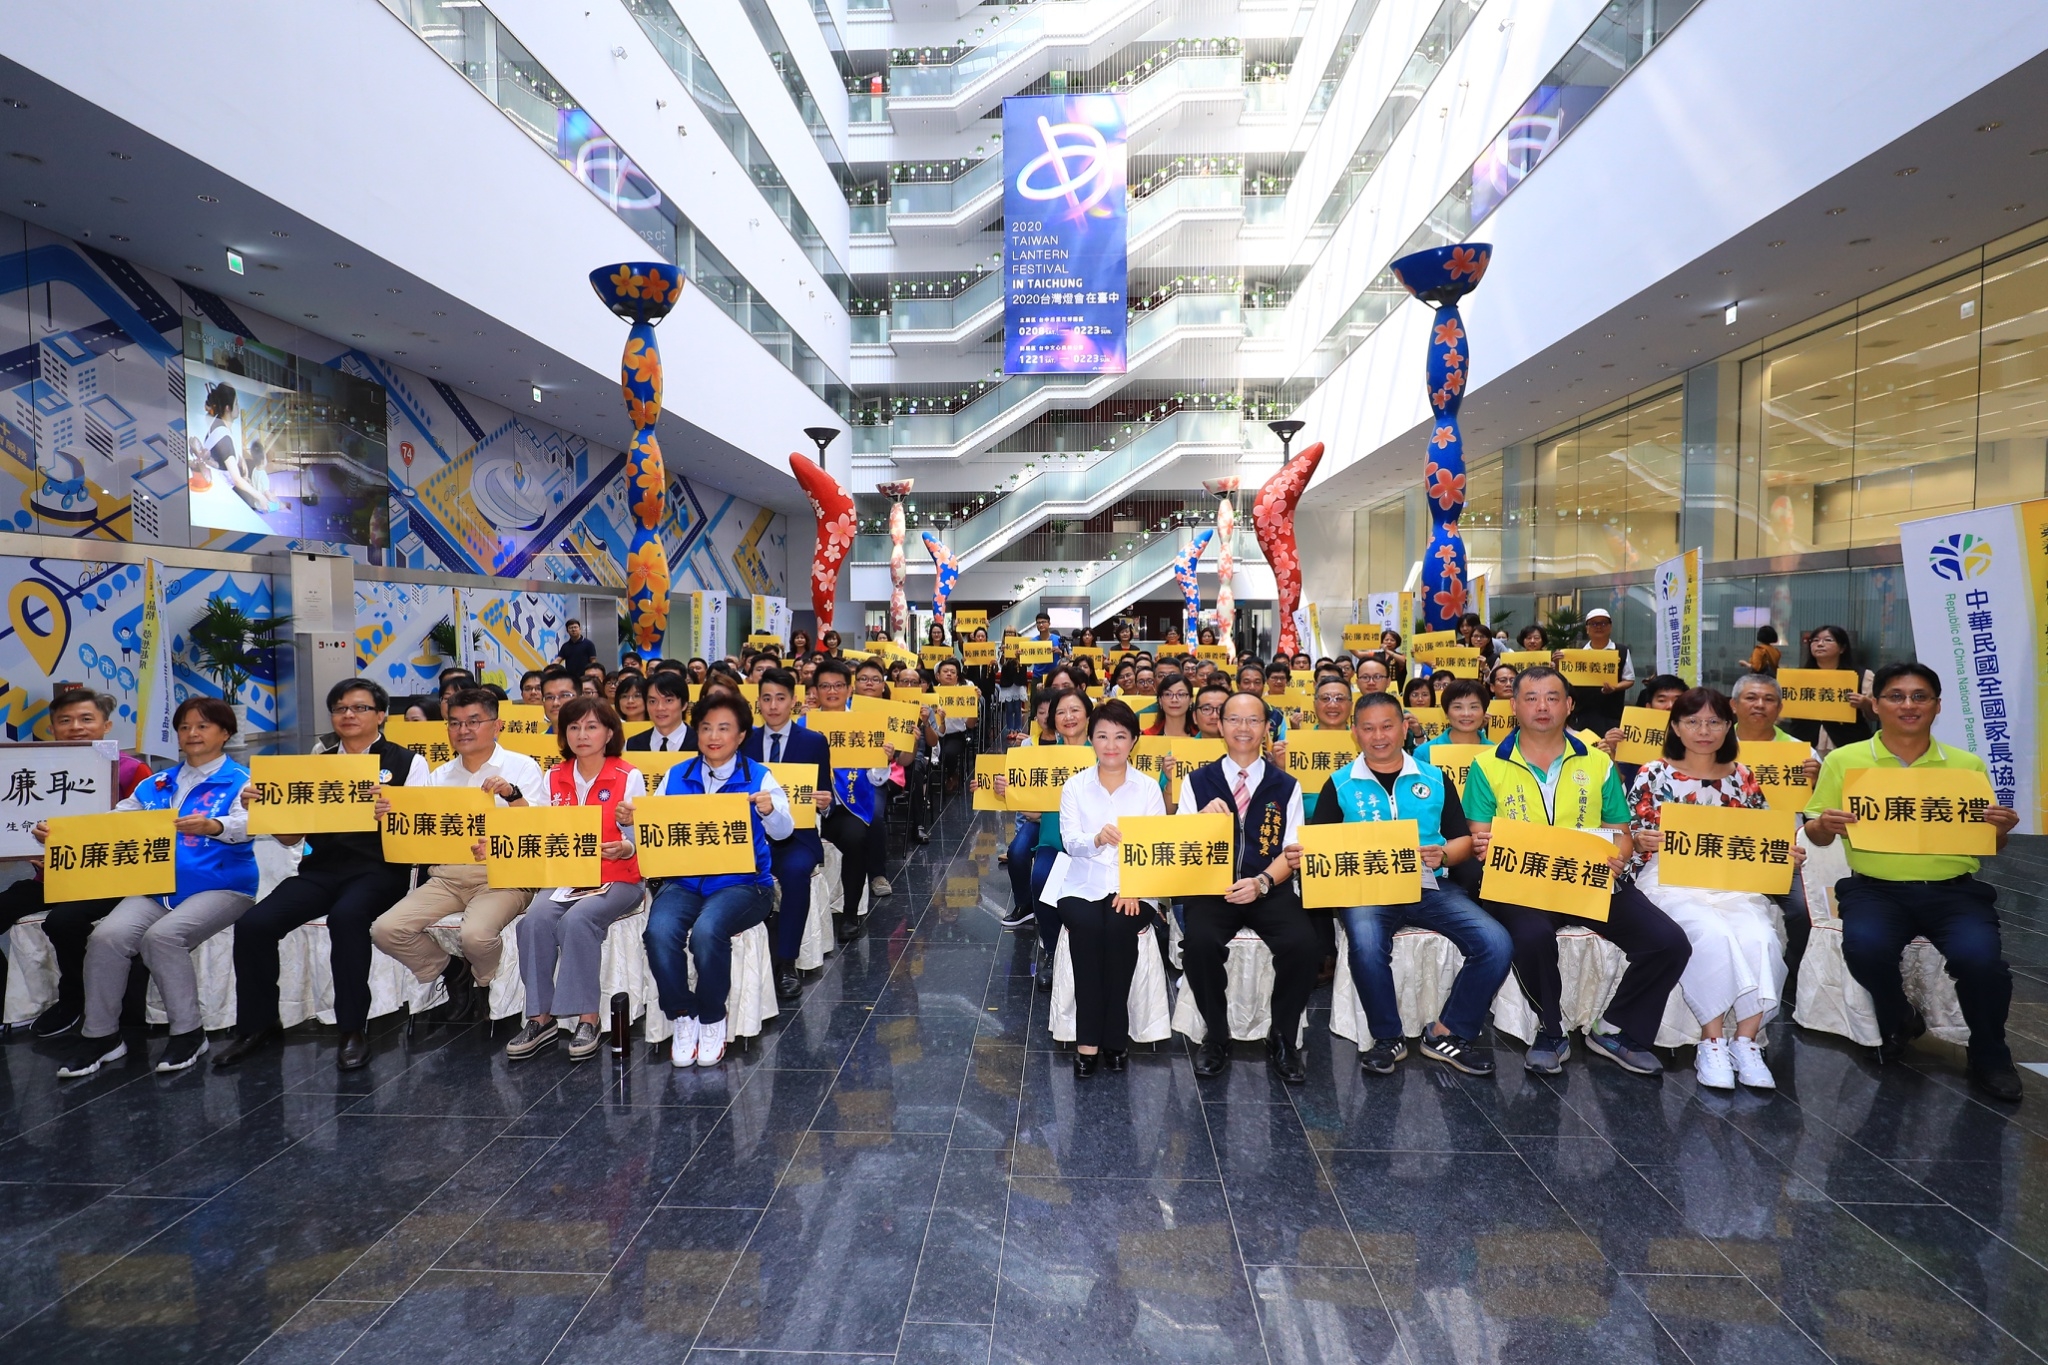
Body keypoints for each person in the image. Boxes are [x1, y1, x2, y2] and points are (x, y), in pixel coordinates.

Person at [1803, 662, 2022, 1102]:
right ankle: (1899, 1015)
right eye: (1896, 696)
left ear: (1937, 706)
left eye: (1920, 696)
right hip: (1875, 888)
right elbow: (1816, 833)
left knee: (1981, 961)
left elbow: (1989, 845)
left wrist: (2001, 830)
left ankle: (1990, 1053)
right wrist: (1824, 824)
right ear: (1875, 705)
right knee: (1865, 947)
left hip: (1953, 891)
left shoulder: (1966, 765)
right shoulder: (1844, 761)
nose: (1908, 705)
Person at [1463, 665, 1692, 1077]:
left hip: (1587, 878)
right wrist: (1484, 844)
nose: (1542, 706)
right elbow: (1479, 835)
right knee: (1530, 936)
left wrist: (1619, 855)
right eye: (1531, 698)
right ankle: (1551, 1031)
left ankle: (1614, 1028)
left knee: (1669, 943)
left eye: (1552, 698)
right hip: (1522, 883)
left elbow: (1620, 832)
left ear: (1569, 705)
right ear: (1513, 706)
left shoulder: (1598, 762)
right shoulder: (1487, 765)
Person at [213, 679, 428, 1072]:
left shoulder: (407, 762)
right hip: (322, 869)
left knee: (347, 918)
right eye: (340, 708)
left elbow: (418, 833)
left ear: (381, 715)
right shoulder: (316, 763)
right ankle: (257, 1026)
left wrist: (393, 814)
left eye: (360, 708)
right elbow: (290, 838)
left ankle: (352, 1028)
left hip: (380, 870)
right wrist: (265, 809)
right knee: (254, 924)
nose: (348, 715)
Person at [1309, 690, 1510, 1076]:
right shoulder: (1340, 784)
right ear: (1355, 733)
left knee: (1496, 942)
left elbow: (1463, 840)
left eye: (1387, 726)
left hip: (1430, 886)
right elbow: (1322, 848)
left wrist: (1444, 854)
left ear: (1404, 728)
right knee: (1367, 944)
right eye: (1368, 728)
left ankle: (1450, 1032)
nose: (1378, 736)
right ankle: (1388, 1037)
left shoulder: (1434, 778)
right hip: (1366, 891)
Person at [54, 698, 256, 1078]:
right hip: (156, 887)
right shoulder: (157, 783)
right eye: (184, 727)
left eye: (202, 726)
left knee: (163, 937)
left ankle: (188, 1032)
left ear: (225, 733)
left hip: (223, 887)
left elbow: (250, 824)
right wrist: (59, 834)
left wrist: (214, 826)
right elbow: (112, 824)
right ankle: (101, 1035)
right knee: (106, 938)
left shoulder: (242, 781)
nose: (192, 734)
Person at [1626, 688, 1797, 1090]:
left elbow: (1761, 835)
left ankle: (1746, 1042)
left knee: (1760, 936)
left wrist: (1784, 852)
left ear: (1728, 726)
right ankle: (1712, 1041)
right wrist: (1640, 839)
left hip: (1732, 882)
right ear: (1675, 727)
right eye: (1693, 722)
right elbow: (1629, 831)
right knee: (1712, 934)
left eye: (1714, 722)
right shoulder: (1653, 773)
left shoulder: (1742, 776)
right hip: (1670, 879)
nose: (1704, 731)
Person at [626, 691, 792, 1067]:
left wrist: (770, 811)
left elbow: (783, 832)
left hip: (744, 885)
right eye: (705, 728)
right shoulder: (676, 775)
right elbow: (651, 836)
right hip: (684, 882)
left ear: (741, 735)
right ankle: (683, 1014)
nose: (713, 736)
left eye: (724, 728)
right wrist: (630, 823)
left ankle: (713, 1016)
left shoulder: (759, 777)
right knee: (658, 932)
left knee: (707, 931)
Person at [370, 689, 548, 1022]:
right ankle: (453, 972)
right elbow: (421, 833)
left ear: (497, 725)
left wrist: (512, 796)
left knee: (475, 937)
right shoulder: (440, 776)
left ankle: (485, 982)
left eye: (473, 722)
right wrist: (392, 817)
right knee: (385, 930)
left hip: (504, 877)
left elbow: (539, 829)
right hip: (447, 878)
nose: (463, 730)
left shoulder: (522, 767)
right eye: (454, 723)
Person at [1178, 691, 1314, 1083]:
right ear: (1219, 725)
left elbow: (1292, 850)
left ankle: (1283, 1036)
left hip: (1268, 886)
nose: (1243, 728)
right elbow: (1181, 847)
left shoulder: (1285, 785)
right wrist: (1201, 821)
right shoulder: (1197, 781)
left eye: (1253, 720)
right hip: (1213, 888)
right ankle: (1217, 1035)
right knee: (1199, 943)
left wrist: (1262, 882)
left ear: (1267, 728)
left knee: (1304, 945)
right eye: (1234, 719)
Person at [1, 689, 152, 1037]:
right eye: (65, 721)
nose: (76, 727)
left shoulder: (132, 771)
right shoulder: (31, 771)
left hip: (110, 879)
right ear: (52, 728)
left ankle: (76, 998)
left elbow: (147, 830)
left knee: (63, 922)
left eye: (86, 719)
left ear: (106, 725)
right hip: (50, 877)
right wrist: (23, 846)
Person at [501, 697, 644, 1063]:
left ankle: (587, 1018)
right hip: (567, 876)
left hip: (620, 877)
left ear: (609, 733)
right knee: (534, 920)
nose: (582, 735)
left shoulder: (628, 775)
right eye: (574, 727)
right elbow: (538, 829)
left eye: (592, 726)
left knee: (578, 920)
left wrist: (626, 846)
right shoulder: (553, 776)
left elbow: (644, 838)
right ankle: (540, 1018)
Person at [1054, 700, 1164, 1077]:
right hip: (1082, 882)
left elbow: (1154, 846)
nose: (1111, 745)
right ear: (1091, 740)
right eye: (1102, 736)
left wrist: (1133, 886)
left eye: (1120, 736)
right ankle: (1087, 1040)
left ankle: (1116, 1037)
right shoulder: (1075, 786)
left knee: (1118, 929)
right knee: (1087, 928)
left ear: (1134, 741)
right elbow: (1070, 842)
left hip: (1136, 885)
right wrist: (1097, 838)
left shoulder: (1148, 789)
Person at [741, 668, 834, 1001]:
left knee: (795, 873)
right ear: (758, 703)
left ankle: (786, 963)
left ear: (794, 701)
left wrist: (825, 804)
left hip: (798, 836)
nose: (773, 706)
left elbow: (825, 795)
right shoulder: (744, 741)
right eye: (766, 698)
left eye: (780, 698)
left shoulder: (813, 741)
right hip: (750, 834)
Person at [1731, 672, 1823, 989]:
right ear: (1733, 705)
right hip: (1728, 850)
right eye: (1751, 698)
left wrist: (1817, 783)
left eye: (1769, 699)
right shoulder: (1712, 746)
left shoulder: (1802, 754)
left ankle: (1790, 974)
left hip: (1784, 854)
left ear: (1780, 708)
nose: (1760, 705)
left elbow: (1819, 813)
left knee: (1803, 912)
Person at [1000, 689, 1093, 988]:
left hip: (1095, 844)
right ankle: (1053, 951)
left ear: (1088, 715)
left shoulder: (1101, 752)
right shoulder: (1044, 757)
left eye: (1075, 710)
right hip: (1055, 842)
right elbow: (1033, 812)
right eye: (1061, 712)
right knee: (1040, 879)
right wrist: (1010, 792)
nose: (1068, 717)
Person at [803, 658, 890, 940]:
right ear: (815, 691)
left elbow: (877, 779)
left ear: (849, 689)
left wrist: (882, 759)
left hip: (847, 806)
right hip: (807, 807)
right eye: (825, 686)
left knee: (856, 839)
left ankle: (850, 913)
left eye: (838, 685)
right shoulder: (803, 724)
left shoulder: (864, 723)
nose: (832, 691)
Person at [998, 689, 1059, 931]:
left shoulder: (1072, 746)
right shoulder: (1026, 745)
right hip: (1033, 820)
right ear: (1035, 716)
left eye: (1052, 711)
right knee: (1017, 852)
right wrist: (1004, 788)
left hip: (1060, 821)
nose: (1047, 717)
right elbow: (1018, 785)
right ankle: (1024, 905)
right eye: (1042, 712)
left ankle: (1054, 911)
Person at [1783, 624, 1875, 751]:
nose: (1820, 644)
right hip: (1805, 742)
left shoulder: (1862, 675)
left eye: (1828, 640)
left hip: (1849, 743)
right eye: (1815, 640)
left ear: (1842, 648)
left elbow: (1875, 715)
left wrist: (1865, 703)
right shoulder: (1797, 677)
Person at [1557, 607, 1634, 735]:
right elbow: (1566, 682)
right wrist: (1557, 665)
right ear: (1587, 628)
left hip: (1611, 714)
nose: (1599, 627)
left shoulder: (1621, 651)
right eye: (1594, 624)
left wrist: (1614, 687)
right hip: (1582, 715)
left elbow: (1629, 679)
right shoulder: (1577, 654)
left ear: (1610, 627)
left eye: (1603, 623)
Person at [627, 672, 694, 753]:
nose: (660, 708)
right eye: (652, 701)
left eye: (668, 700)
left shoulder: (701, 743)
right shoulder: (632, 745)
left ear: (684, 705)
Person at [1146, 673, 1196, 737]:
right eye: (1168, 694)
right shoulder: (1146, 736)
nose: (1174, 700)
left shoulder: (1202, 736)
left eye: (1181, 694)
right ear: (1160, 700)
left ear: (1190, 700)